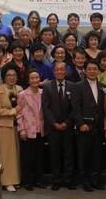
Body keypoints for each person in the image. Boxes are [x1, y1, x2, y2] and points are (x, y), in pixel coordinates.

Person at [72, 60, 106, 192]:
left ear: (98, 71)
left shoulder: (103, 86)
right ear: (85, 71)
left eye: (95, 69)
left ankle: (95, 179)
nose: (92, 71)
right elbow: (75, 108)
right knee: (83, 155)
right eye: (90, 69)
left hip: (98, 128)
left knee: (96, 155)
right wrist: (80, 124)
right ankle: (85, 181)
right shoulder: (78, 86)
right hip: (84, 127)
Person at [42, 62, 76, 191]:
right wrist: (54, 123)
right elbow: (46, 107)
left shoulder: (73, 86)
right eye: (57, 70)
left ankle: (68, 180)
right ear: (53, 71)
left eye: (62, 70)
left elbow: (75, 107)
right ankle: (56, 180)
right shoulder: (47, 87)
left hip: (68, 126)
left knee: (69, 154)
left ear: (66, 72)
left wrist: (66, 122)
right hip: (53, 127)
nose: (60, 72)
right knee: (54, 154)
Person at [0, 64, 23, 191]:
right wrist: (13, 111)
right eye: (8, 75)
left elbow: (24, 107)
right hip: (4, 126)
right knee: (6, 155)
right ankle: (6, 181)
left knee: (16, 154)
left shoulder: (20, 89)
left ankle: (16, 179)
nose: (11, 77)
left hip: (19, 126)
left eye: (14, 75)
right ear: (4, 77)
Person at [17, 69, 45, 191]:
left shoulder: (44, 93)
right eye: (32, 78)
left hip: (41, 129)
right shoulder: (22, 94)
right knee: (28, 157)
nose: (35, 80)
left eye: (37, 78)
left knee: (39, 157)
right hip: (28, 130)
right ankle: (28, 181)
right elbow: (19, 114)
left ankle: (38, 180)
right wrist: (21, 130)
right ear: (28, 80)